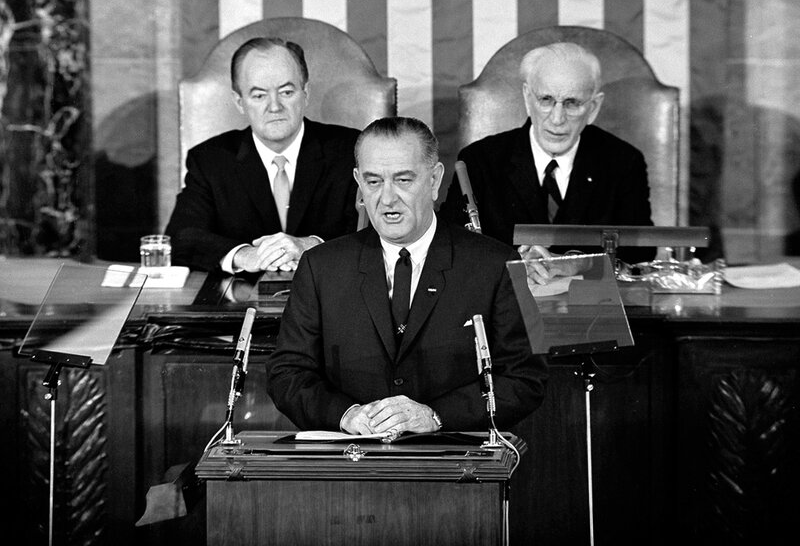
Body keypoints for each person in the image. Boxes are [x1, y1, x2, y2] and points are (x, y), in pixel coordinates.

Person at [266, 117, 547, 435]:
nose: (387, 199)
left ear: (434, 180)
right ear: (358, 181)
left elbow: (526, 378)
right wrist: (346, 416)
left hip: (456, 467)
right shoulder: (320, 268)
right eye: (373, 182)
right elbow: (287, 373)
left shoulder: (498, 265)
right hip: (349, 468)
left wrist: (435, 416)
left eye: (403, 180)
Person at [439, 41, 654, 276]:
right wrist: (513, 262)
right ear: (527, 97)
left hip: (590, 304)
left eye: (572, 103)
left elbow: (641, 253)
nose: (557, 118)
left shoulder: (623, 162)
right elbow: (452, 244)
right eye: (546, 100)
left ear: (593, 107)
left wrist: (575, 262)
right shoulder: (479, 160)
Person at [165, 37, 360, 273]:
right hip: (240, 303)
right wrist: (245, 255)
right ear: (239, 102)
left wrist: (310, 245)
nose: (275, 106)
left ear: (305, 93)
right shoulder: (210, 160)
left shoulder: (351, 150)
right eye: (259, 95)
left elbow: (379, 231)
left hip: (333, 299)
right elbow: (182, 237)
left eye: (287, 92)